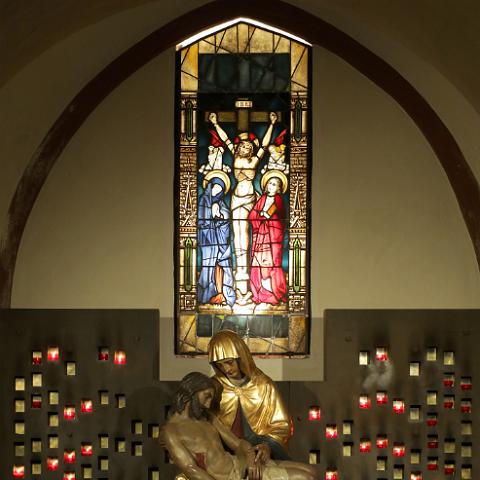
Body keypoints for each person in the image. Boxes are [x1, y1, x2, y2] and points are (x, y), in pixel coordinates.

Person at [163, 372, 317, 480]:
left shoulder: (207, 418)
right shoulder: (171, 431)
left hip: (241, 464)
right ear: (191, 391)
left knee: (311, 471)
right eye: (206, 396)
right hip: (234, 477)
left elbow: (237, 444)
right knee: (307, 478)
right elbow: (191, 469)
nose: (209, 404)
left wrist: (250, 459)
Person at [208, 111, 277, 305]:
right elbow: (226, 140)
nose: (245, 147)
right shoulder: (234, 154)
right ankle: (240, 286)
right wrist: (215, 123)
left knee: (246, 239)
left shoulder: (254, 160)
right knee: (237, 238)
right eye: (243, 145)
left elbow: (264, 145)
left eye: (248, 146)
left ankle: (246, 283)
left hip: (249, 199)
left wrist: (272, 124)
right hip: (236, 198)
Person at [208, 330, 292, 460]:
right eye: (220, 365)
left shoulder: (264, 385)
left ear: (241, 357)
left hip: (259, 450)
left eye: (229, 362)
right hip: (223, 453)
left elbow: (281, 426)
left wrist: (267, 446)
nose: (226, 369)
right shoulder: (213, 387)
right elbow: (202, 422)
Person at [247, 171, 288, 305]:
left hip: (273, 237)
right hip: (261, 235)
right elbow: (252, 216)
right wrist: (261, 216)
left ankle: (274, 291)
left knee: (272, 262)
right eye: (269, 183)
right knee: (258, 261)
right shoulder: (262, 199)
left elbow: (281, 218)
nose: (271, 186)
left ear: (279, 188)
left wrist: (269, 217)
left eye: (274, 184)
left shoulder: (279, 201)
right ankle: (260, 292)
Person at [197, 171, 235, 306]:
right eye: (215, 187)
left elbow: (226, 223)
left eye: (220, 189)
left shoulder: (222, 203)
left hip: (221, 240)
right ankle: (210, 293)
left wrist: (220, 219)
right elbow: (201, 221)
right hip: (208, 240)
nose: (217, 191)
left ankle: (222, 293)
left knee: (222, 264)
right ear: (210, 187)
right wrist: (211, 217)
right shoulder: (203, 201)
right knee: (210, 265)